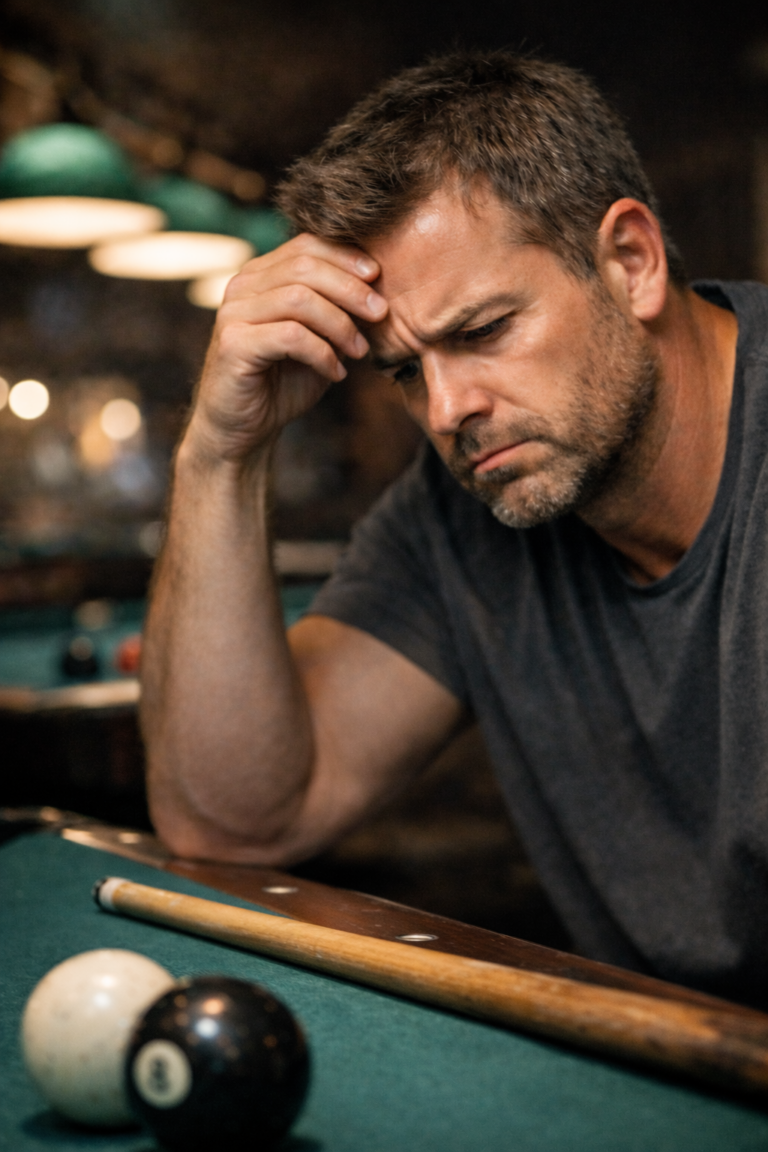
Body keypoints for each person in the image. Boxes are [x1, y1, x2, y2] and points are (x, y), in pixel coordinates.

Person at [141, 50, 768, 1007]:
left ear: (631, 263)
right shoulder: (463, 510)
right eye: (403, 369)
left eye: (480, 332)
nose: (445, 411)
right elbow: (235, 821)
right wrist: (220, 454)